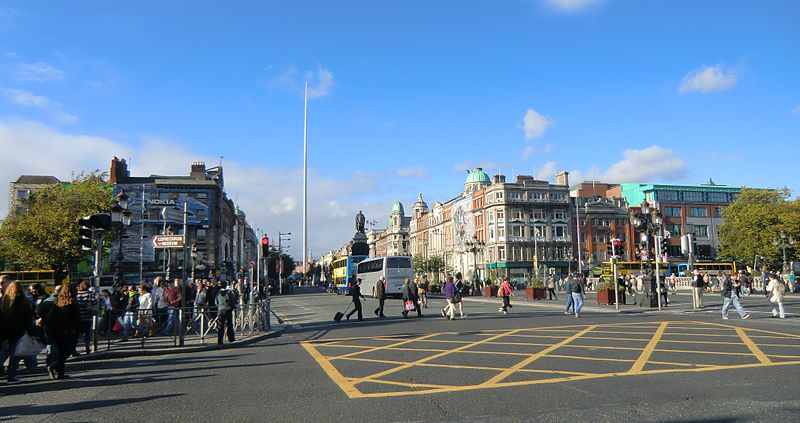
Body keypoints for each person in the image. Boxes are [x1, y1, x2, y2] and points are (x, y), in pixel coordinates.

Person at [43, 284, 81, 380]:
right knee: (68, 351)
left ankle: (61, 372)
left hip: (56, 331)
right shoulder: (73, 303)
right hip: (68, 331)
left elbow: (50, 317)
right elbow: (77, 319)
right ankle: (54, 365)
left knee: (61, 352)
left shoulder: (57, 302)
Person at [0, 281, 34, 383]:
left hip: (4, 330)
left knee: (3, 353)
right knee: (15, 355)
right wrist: (30, 331)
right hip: (18, 331)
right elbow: (27, 318)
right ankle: (11, 376)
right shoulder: (22, 301)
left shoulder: (4, 300)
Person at [75, 280, 96, 354]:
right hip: (87, 317)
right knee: (87, 334)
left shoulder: (76, 294)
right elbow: (94, 302)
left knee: (77, 334)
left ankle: (74, 349)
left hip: (78, 317)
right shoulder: (89, 294)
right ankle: (87, 348)